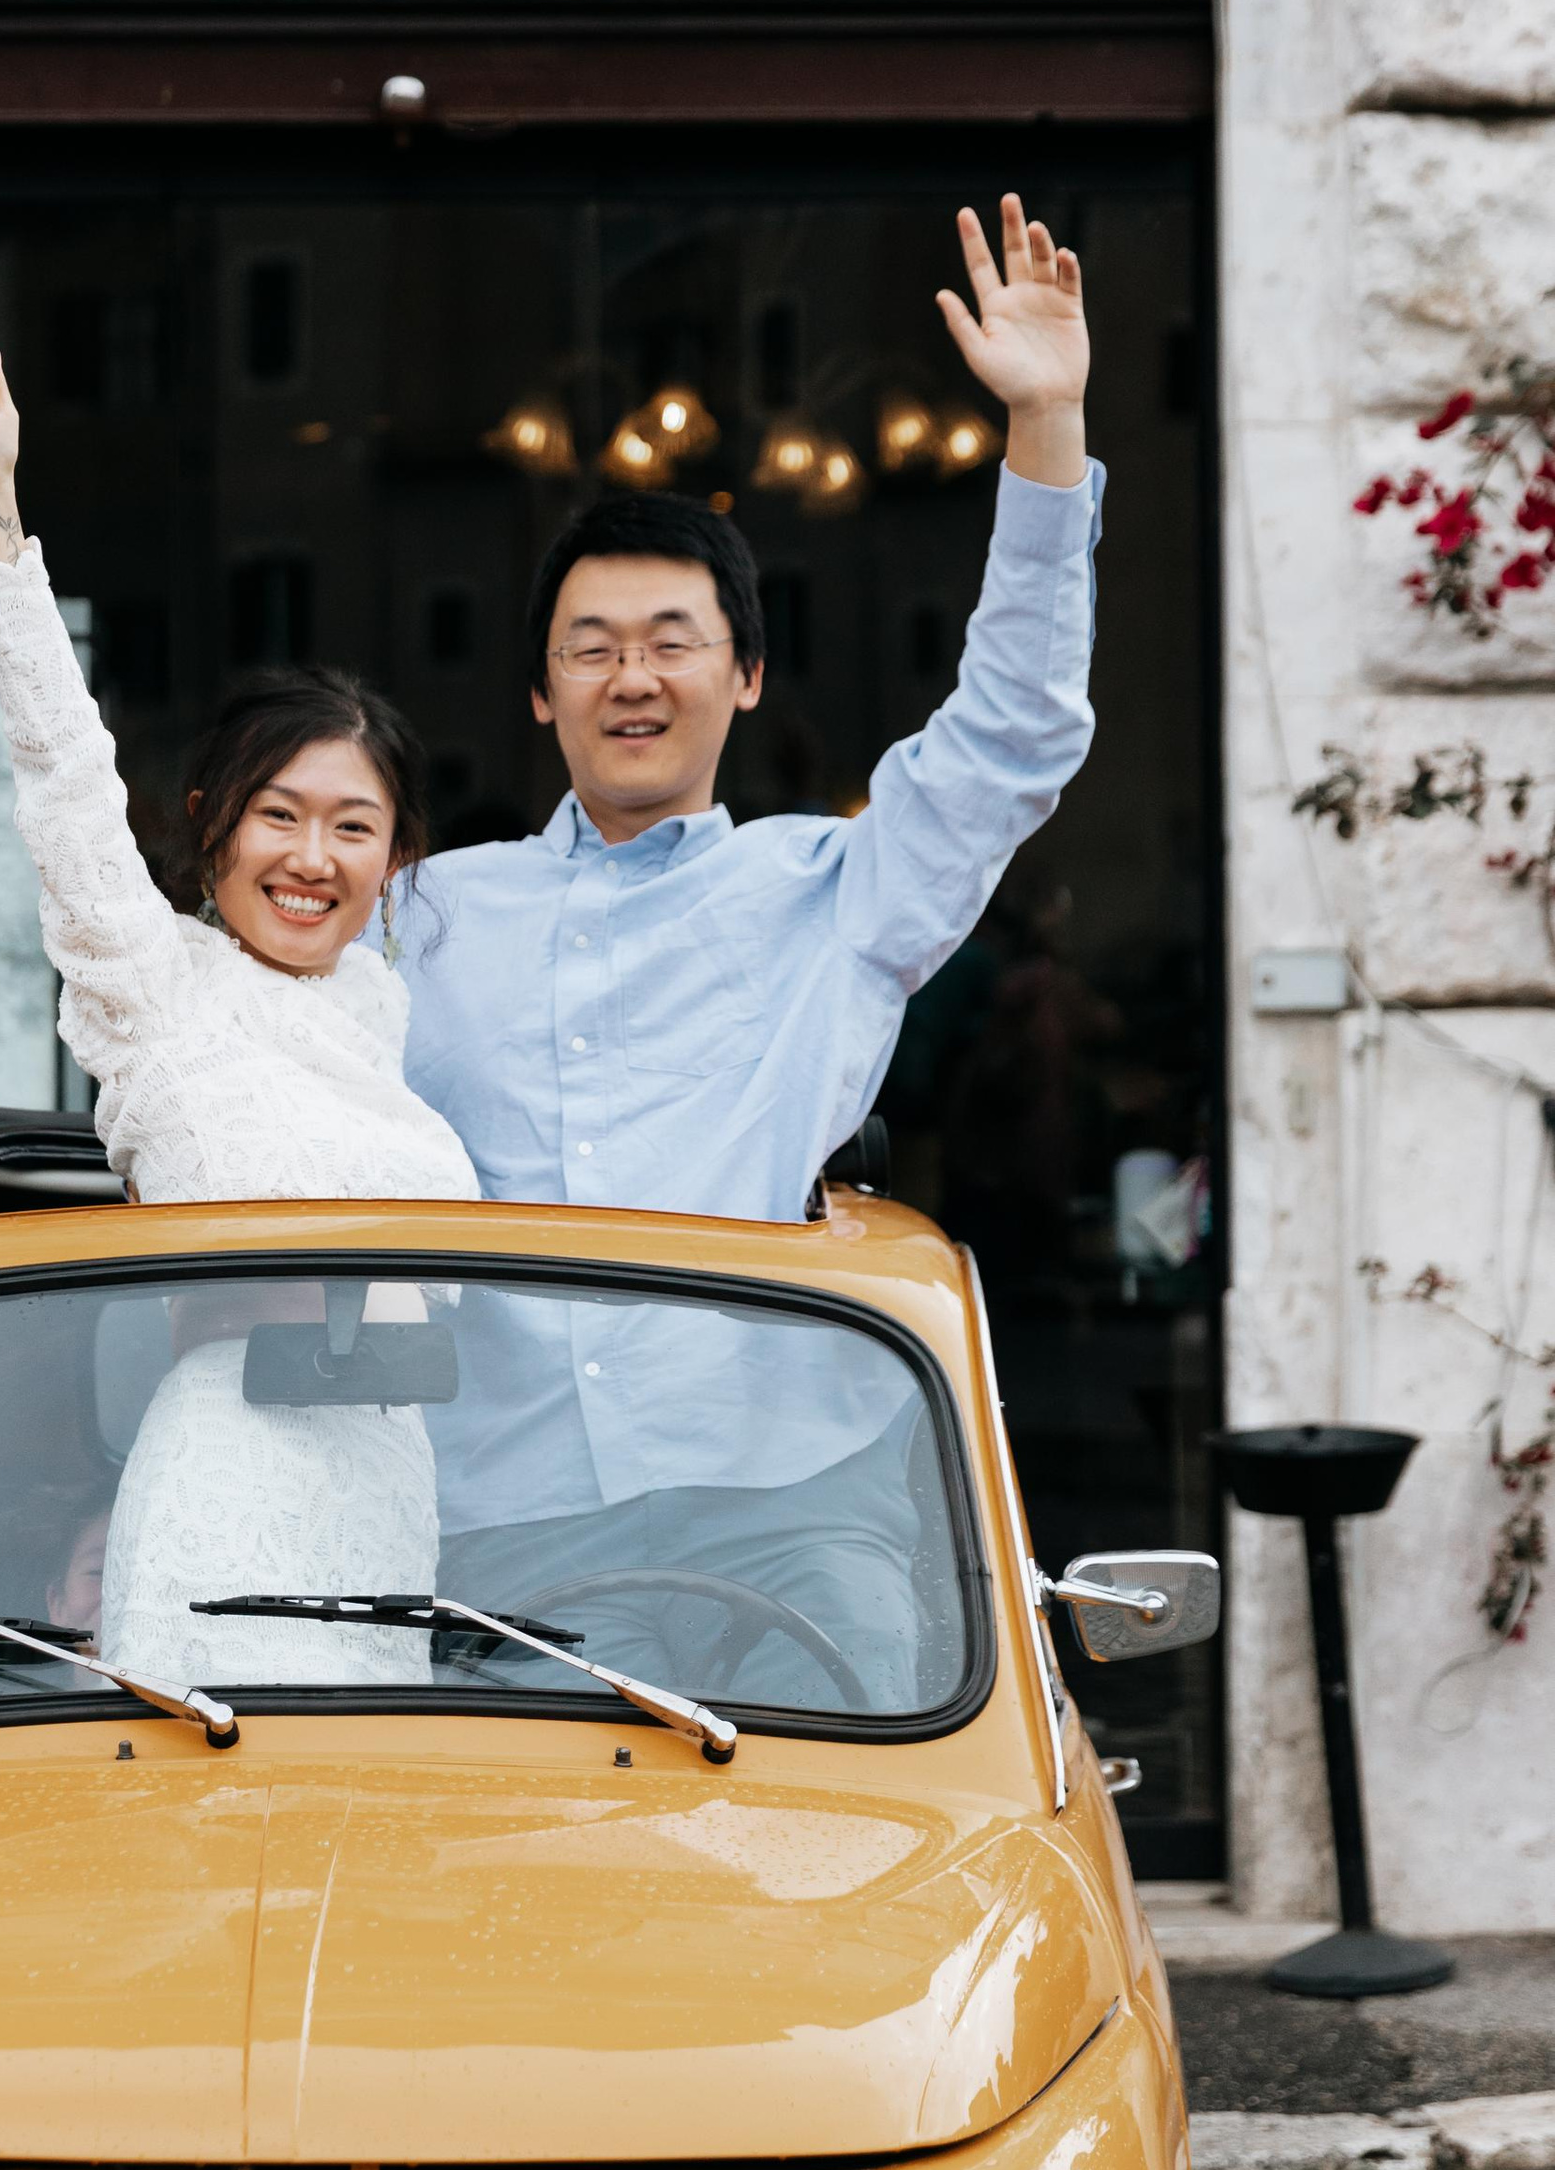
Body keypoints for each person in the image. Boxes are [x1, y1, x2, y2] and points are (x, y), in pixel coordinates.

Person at [403, 194, 1102, 1703]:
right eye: (590, 647)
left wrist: (1046, 428)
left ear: (747, 674)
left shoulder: (834, 891)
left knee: (857, 1865)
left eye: (672, 640)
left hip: (794, 1503)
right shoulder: (425, 914)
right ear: (536, 694)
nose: (631, 677)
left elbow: (1016, 736)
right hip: (509, 1513)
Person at [0, 328, 474, 1691]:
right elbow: (64, 779)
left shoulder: (379, 1017)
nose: (312, 859)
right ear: (211, 825)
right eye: (280, 815)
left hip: (390, 1486)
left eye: (352, 826)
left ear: (394, 857)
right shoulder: (153, 984)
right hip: (230, 1473)